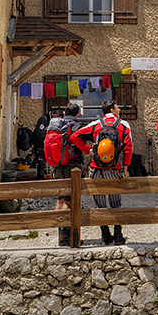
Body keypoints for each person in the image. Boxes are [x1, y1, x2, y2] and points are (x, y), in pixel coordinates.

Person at [71, 98, 133, 245]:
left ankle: (105, 235)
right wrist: (125, 169)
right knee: (116, 203)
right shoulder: (123, 125)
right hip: (114, 170)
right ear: (112, 109)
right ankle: (118, 235)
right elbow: (128, 148)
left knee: (99, 204)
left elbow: (75, 136)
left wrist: (88, 150)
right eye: (117, 108)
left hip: (96, 169)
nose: (119, 110)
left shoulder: (95, 124)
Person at [48, 103, 83, 247]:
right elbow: (80, 144)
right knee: (69, 201)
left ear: (64, 112)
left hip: (56, 166)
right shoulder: (76, 126)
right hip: (71, 166)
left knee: (60, 199)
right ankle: (66, 236)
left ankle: (59, 234)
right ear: (77, 114)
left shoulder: (56, 125)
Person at [32, 107, 63, 179]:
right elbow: (39, 132)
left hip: (46, 143)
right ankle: (40, 177)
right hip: (39, 142)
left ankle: (45, 174)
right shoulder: (44, 119)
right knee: (41, 160)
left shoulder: (51, 120)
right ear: (54, 115)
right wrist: (45, 140)